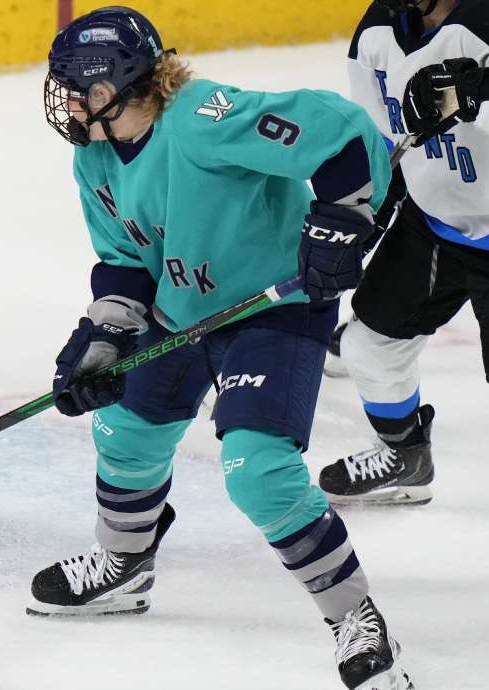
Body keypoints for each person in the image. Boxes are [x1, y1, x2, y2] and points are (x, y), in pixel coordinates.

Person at [29, 7, 413, 689]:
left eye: (71, 88)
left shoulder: (203, 117)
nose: (62, 103)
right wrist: (104, 337)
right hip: (178, 313)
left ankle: (354, 615)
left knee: (258, 470)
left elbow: (341, 131)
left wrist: (340, 220)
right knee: (123, 429)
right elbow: (124, 262)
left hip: (276, 309)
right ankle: (124, 564)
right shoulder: (95, 161)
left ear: (109, 87)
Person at [318, 0, 489, 506]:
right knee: (369, 346)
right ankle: (403, 455)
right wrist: (365, 214)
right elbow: (384, 142)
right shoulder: (375, 31)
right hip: (434, 226)